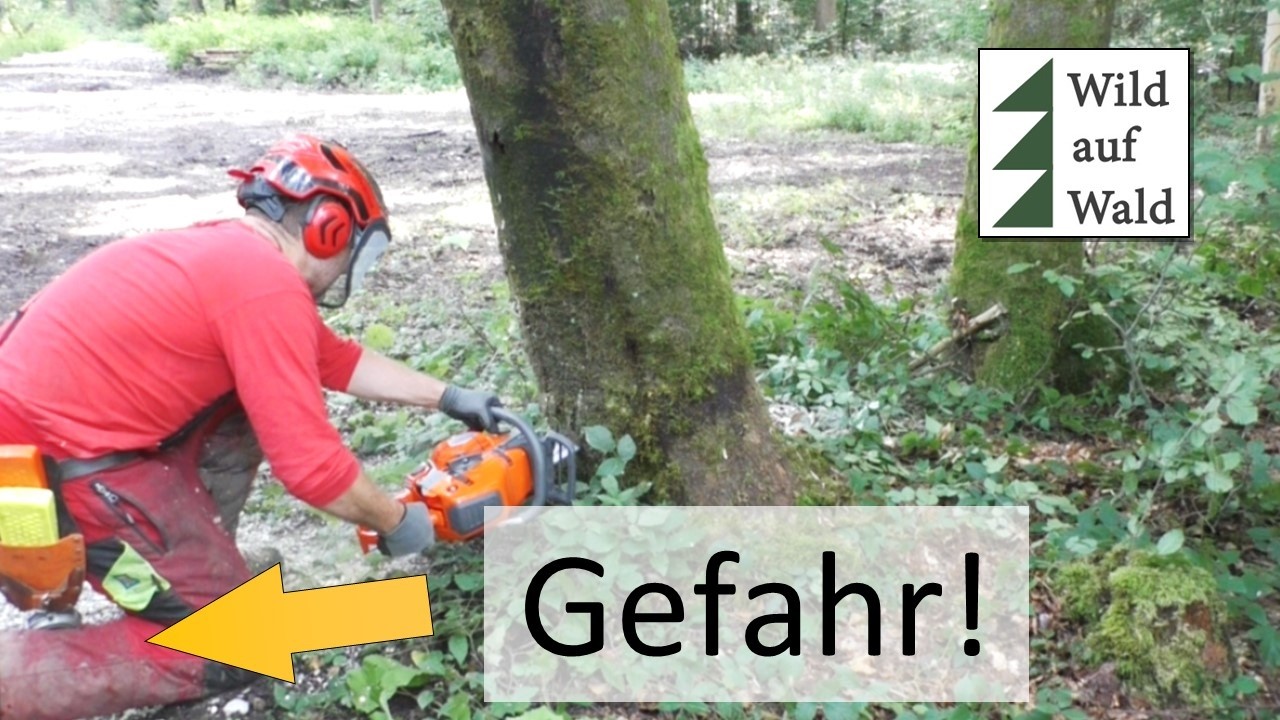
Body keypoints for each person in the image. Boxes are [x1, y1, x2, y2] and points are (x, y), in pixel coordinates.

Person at [0, 134, 501, 720]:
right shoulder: (263, 285)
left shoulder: (235, 261)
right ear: (329, 228)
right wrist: (397, 520)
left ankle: (197, 573)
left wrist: (449, 397)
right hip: (60, 466)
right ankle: (24, 673)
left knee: (239, 419)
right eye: (356, 253)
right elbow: (313, 472)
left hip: (53, 445)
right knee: (236, 642)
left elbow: (330, 358)